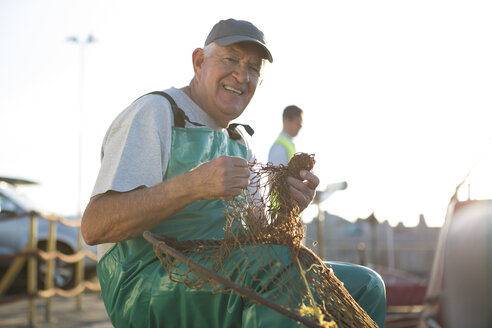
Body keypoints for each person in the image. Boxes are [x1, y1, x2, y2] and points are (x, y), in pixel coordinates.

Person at [81, 18, 386, 327]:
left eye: (253, 68)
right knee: (280, 273)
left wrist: (289, 208)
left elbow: (261, 241)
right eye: (230, 59)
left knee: (365, 285)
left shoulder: (241, 142)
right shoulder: (157, 113)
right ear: (199, 62)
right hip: (144, 282)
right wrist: (192, 186)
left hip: (225, 275)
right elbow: (95, 226)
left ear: (260, 83)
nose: (241, 75)